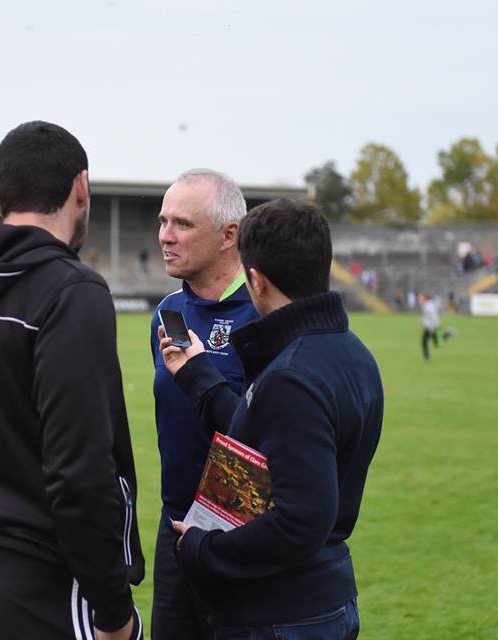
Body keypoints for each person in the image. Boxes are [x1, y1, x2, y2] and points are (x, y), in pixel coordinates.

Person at [0, 121, 144, 640]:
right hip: (41, 579)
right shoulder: (70, 290)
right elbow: (80, 470)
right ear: (81, 188)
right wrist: (113, 612)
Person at [159, 198, 383, 640]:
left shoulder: (291, 373)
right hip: (322, 596)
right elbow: (263, 443)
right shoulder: (352, 353)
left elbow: (302, 521)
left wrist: (204, 548)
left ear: (256, 281)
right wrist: (201, 378)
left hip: (281, 612)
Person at [151, 168, 258, 640]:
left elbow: (269, 430)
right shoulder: (168, 311)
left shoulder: (262, 313)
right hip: (172, 526)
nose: (165, 237)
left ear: (228, 235)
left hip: (240, 535)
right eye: (162, 221)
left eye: (182, 224)